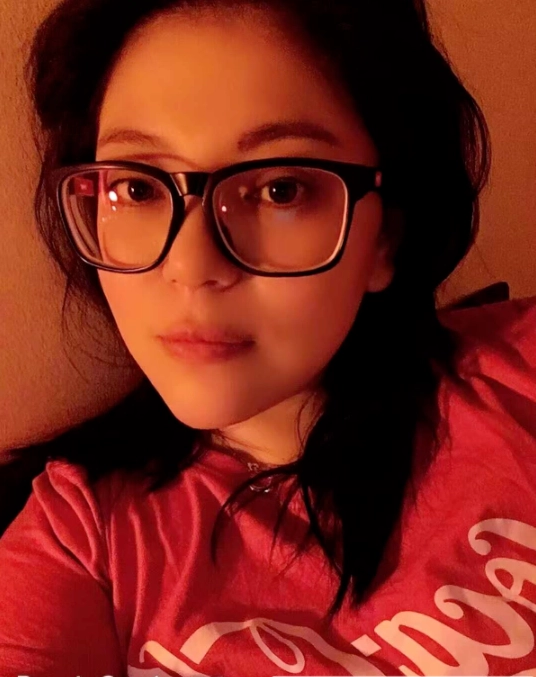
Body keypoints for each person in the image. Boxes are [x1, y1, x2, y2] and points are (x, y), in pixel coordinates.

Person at [0, 0, 535, 674]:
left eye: (281, 189)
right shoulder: (80, 539)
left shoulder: (519, 375)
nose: (191, 266)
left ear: (386, 237)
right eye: (136, 188)